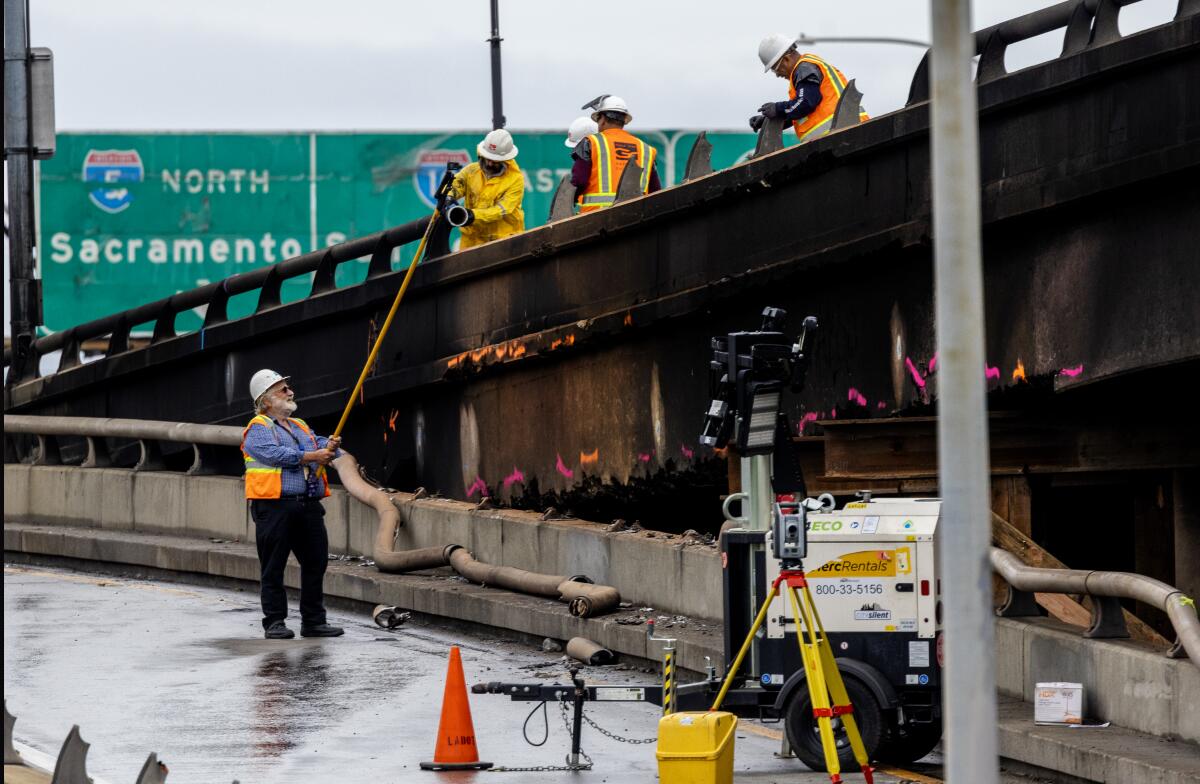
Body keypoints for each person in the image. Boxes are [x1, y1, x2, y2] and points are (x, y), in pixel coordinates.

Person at [242, 369, 345, 640]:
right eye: (283, 390)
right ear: (266, 401)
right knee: (273, 566)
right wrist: (313, 455)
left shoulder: (298, 425)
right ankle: (275, 622)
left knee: (316, 562)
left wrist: (331, 446)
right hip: (274, 507)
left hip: (307, 505)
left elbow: (317, 441)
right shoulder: (258, 428)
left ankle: (313, 621)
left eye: (288, 388)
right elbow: (275, 454)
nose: (290, 393)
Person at [750, 34, 869, 144]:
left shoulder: (804, 68)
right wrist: (769, 119)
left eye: (775, 69)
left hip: (844, 135)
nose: (777, 74)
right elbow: (799, 111)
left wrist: (778, 108)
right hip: (844, 134)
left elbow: (806, 103)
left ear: (786, 59)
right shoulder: (806, 69)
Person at [571, 95, 662, 214]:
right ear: (624, 121)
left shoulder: (591, 143)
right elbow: (655, 191)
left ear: (602, 119)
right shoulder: (646, 149)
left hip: (596, 219)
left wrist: (570, 199)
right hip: (636, 219)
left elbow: (579, 181)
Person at [443, 128, 525, 249]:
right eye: (488, 158)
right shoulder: (471, 171)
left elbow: (500, 211)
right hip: (471, 239)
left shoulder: (515, 180)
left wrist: (471, 215)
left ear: (505, 159)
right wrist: (449, 197)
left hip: (503, 241)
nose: (490, 164)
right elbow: (455, 184)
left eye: (495, 161)